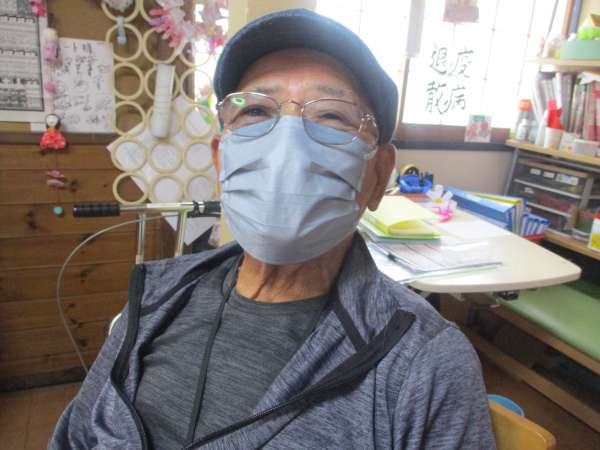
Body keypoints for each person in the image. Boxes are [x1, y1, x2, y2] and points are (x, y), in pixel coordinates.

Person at [49, 9, 495, 450]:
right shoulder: (157, 295)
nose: (287, 146)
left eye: (332, 116)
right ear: (221, 160)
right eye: (257, 110)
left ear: (379, 174)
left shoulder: (423, 363)